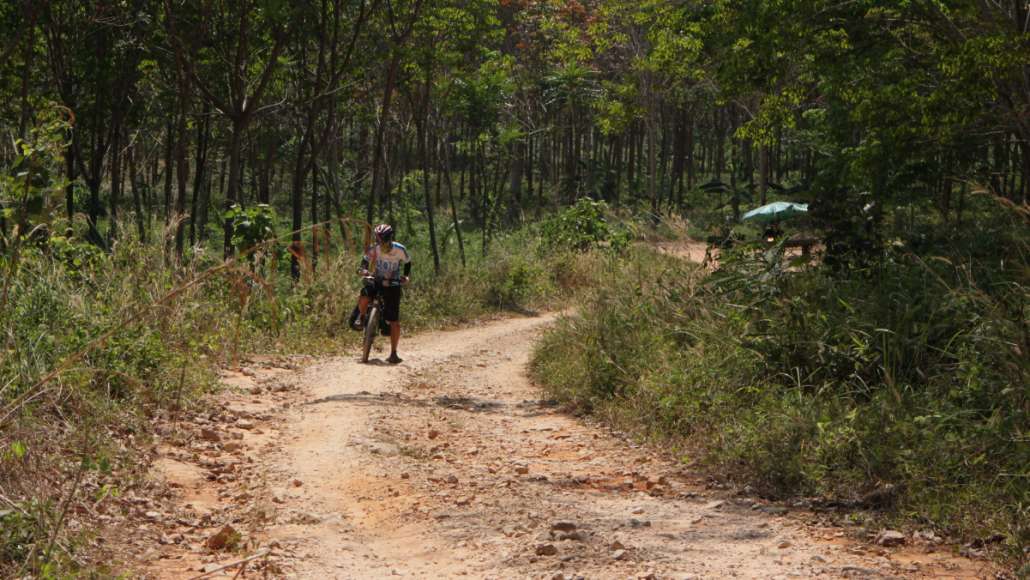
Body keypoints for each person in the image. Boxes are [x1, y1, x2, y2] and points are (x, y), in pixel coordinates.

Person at [351, 224, 411, 364]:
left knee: (394, 321)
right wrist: (363, 270)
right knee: (365, 293)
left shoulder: (399, 249)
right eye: (378, 238)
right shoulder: (375, 249)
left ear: (389, 237)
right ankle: (362, 316)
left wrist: (406, 276)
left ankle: (393, 353)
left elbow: (408, 262)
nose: (379, 241)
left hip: (393, 283)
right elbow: (365, 261)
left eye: (382, 238)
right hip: (377, 279)